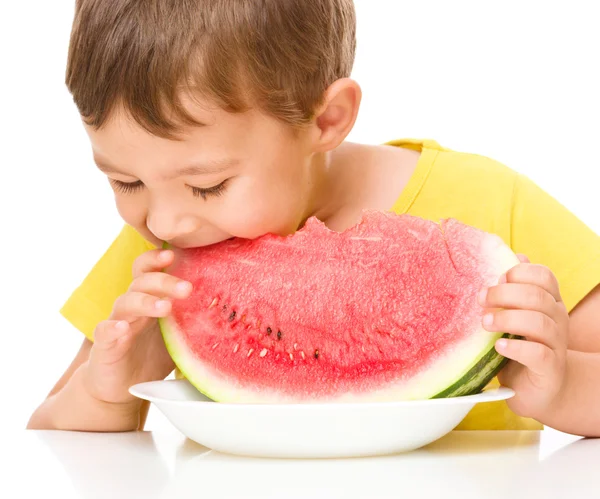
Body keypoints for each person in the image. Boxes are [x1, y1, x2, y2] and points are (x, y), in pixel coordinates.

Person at [27, 0, 600, 435]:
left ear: (327, 119)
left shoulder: (491, 202)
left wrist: (562, 386)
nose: (164, 221)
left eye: (209, 185)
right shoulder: (160, 257)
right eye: (124, 181)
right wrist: (108, 394)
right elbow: (47, 440)